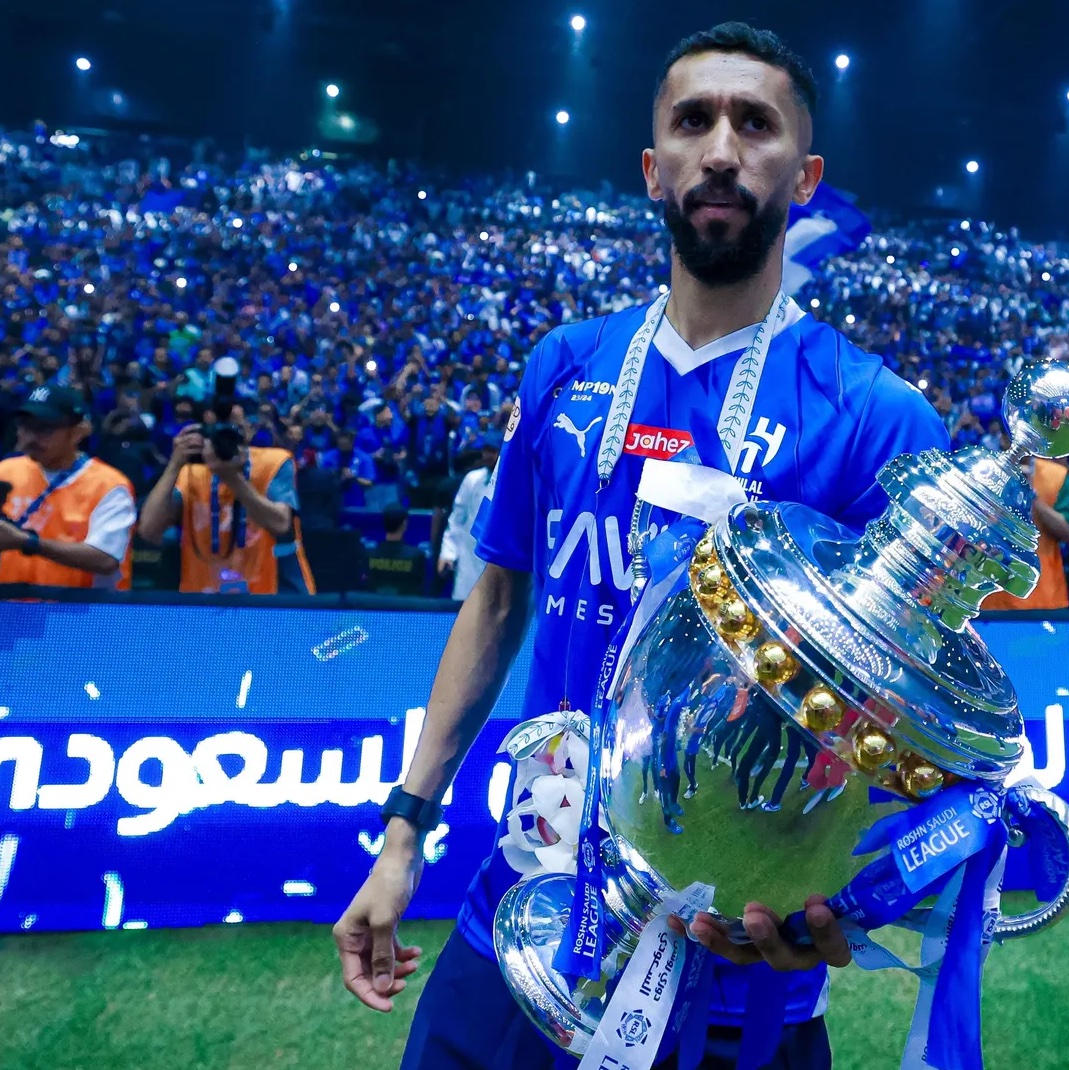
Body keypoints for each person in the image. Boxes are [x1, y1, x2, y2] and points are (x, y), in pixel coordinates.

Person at [333, 23, 947, 1070]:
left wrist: (848, 879)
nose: (721, 150)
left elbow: (906, 710)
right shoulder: (565, 365)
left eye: (755, 125)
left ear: (804, 178)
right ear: (653, 167)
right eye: (692, 121)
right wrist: (403, 831)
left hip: (734, 958)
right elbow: (497, 600)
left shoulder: (877, 416)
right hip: (526, 919)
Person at [0, 385, 136, 589]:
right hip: (14, 604)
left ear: (77, 433)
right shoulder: (5, 471)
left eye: (44, 429)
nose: (31, 437)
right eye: (25, 426)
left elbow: (105, 559)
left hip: (80, 606)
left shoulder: (108, 484)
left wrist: (25, 542)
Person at [136, 399, 316, 595]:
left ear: (249, 431)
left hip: (269, 596)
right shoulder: (191, 472)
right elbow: (148, 530)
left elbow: (280, 524)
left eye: (234, 429)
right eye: (216, 432)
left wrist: (232, 478)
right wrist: (174, 465)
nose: (225, 438)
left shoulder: (273, 463)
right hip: (204, 597)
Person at [980, 456, 1069, 610]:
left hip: (1043, 598)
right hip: (990, 599)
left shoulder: (1056, 476)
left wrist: (1031, 496)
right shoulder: (983, 471)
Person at [436, 442, 496, 602]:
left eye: (493, 451)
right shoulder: (472, 479)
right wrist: (448, 553)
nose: (487, 456)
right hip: (469, 560)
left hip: (498, 561)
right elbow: (457, 520)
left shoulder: (515, 481)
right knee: (464, 607)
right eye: (486, 451)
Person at [366, 505, 429, 597]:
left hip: (374, 605)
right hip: (406, 605)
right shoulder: (416, 556)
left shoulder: (370, 554)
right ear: (404, 524)